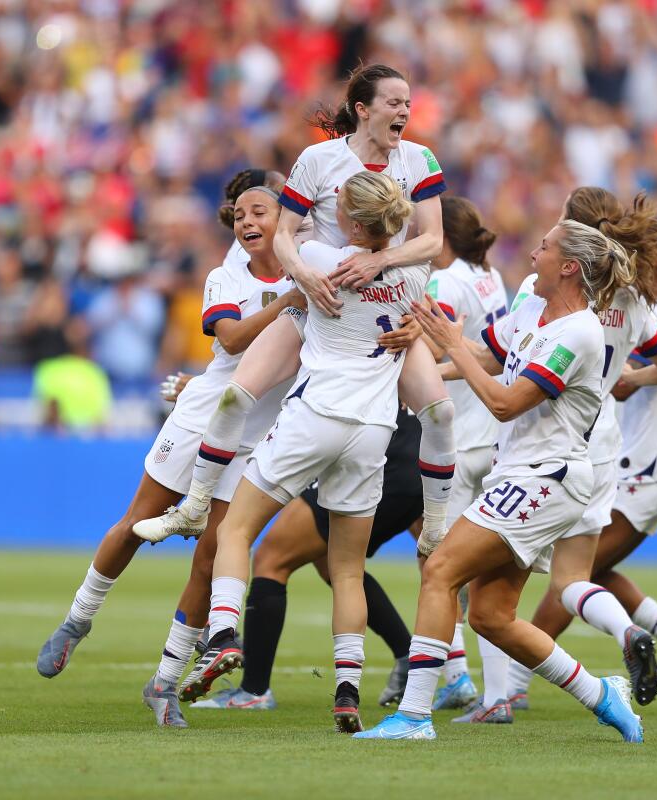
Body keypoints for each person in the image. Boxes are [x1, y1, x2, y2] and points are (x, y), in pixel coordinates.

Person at [135, 64, 456, 556]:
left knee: (439, 411)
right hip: (318, 304)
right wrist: (304, 280)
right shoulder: (319, 159)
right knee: (235, 397)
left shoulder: (419, 159)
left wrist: (382, 262)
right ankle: (197, 502)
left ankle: (435, 528)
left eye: (408, 103)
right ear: (363, 110)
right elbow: (285, 235)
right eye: (394, 102)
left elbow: (432, 239)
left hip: (384, 311)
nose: (405, 111)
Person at [354, 220, 643, 743]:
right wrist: (415, 362)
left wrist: (449, 344)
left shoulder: (581, 333)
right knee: (490, 616)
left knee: (440, 567)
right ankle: (603, 694)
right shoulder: (533, 301)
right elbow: (488, 355)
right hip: (520, 474)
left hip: (547, 477)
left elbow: (506, 403)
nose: (534, 251)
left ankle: (415, 716)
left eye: (545, 246)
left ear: (570, 266)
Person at [34, 176, 301, 730]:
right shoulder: (226, 277)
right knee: (137, 521)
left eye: (261, 213)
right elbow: (229, 340)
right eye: (240, 216)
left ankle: (164, 683)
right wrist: (295, 299)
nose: (248, 223)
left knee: (211, 557)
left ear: (289, 221)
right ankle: (76, 621)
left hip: (256, 437)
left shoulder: (315, 267)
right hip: (204, 414)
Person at [179, 171, 428, 734]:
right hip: (372, 433)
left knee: (236, 530)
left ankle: (221, 634)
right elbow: (419, 258)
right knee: (346, 570)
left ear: (353, 222)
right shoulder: (415, 273)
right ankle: (346, 691)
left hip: (313, 417)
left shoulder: (316, 256)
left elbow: (286, 233)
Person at [470, 187, 657, 720]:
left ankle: (496, 696)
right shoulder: (631, 296)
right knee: (571, 579)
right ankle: (624, 628)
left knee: (480, 575)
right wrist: (628, 380)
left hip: (544, 441)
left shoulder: (551, 296)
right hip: (601, 445)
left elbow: (502, 359)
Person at [517, 215, 657, 708]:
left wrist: (629, 379)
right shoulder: (641, 301)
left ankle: (514, 684)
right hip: (640, 456)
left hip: (656, 461)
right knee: (588, 566)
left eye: (645, 241)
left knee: (575, 575)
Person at [192, 406, 424, 712]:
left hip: (364, 445)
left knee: (272, 559)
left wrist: (208, 393)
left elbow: (281, 375)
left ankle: (254, 690)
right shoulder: (404, 356)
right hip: (415, 458)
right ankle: (407, 657)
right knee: (336, 563)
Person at [422, 196, 509, 711]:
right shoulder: (488, 275)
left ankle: (450, 678)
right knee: (484, 574)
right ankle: (492, 691)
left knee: (441, 565)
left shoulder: (445, 282)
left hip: (457, 438)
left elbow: (433, 346)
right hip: (494, 435)